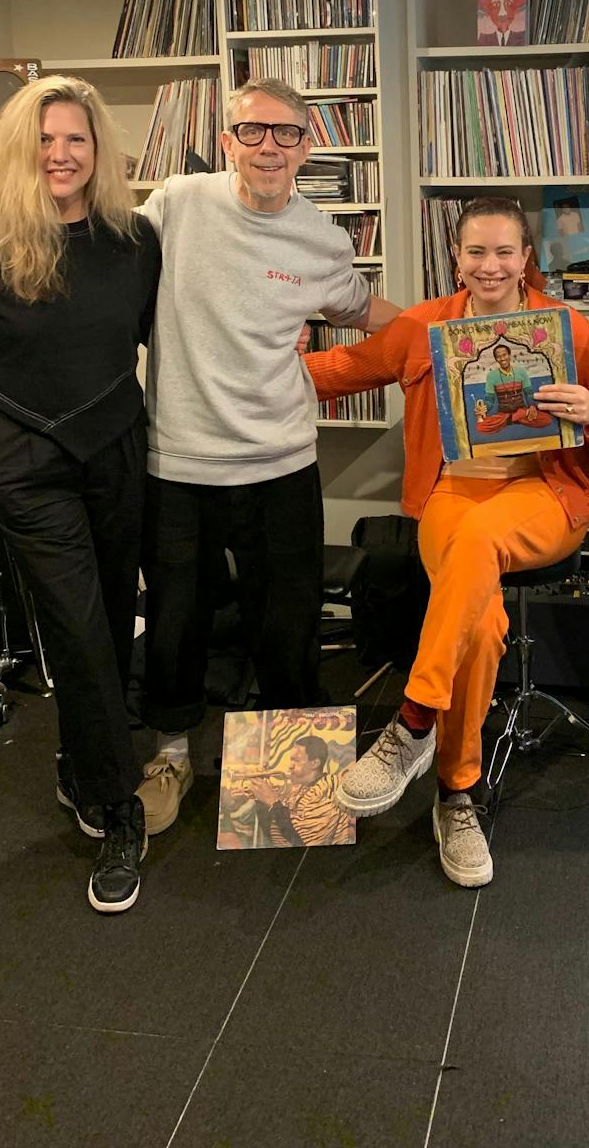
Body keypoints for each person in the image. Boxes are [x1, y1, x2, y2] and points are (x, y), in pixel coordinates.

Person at [303, 196, 589, 888]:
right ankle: (456, 794)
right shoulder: (423, 326)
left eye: (505, 251)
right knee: (479, 630)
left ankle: (414, 720)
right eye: (476, 251)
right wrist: (265, 355)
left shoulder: (569, 329)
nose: (491, 265)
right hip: (450, 494)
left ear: (526, 257)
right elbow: (342, 371)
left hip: (545, 497)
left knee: (479, 540)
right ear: (456, 258)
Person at [136, 79, 401, 836]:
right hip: (178, 462)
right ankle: (170, 754)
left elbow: (363, 310)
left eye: (286, 133)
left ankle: (291, 776)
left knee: (287, 621)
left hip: (281, 460)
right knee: (177, 618)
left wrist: (454, 327)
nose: (268, 147)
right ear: (228, 141)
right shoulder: (176, 205)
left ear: (307, 148)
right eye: (253, 131)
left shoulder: (321, 237)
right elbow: (110, 278)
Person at [0, 76, 159, 914]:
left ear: (98, 151)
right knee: (79, 630)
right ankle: (120, 810)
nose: (61, 155)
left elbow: (142, 335)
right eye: (45, 139)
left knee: (112, 619)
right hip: (27, 464)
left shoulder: (132, 239)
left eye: (76, 140)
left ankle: (80, 766)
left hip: (116, 451)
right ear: (20, 147)